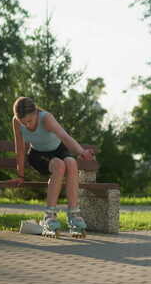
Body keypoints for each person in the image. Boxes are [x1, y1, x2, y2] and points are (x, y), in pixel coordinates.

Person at [8, 97, 94, 236]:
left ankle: (73, 215)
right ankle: (49, 216)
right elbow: (20, 148)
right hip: (38, 154)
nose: (28, 126)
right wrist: (20, 174)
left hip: (59, 149)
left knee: (72, 163)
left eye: (29, 121)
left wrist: (81, 152)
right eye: (23, 123)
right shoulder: (16, 122)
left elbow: (65, 137)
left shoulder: (46, 118)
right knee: (59, 166)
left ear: (36, 113)